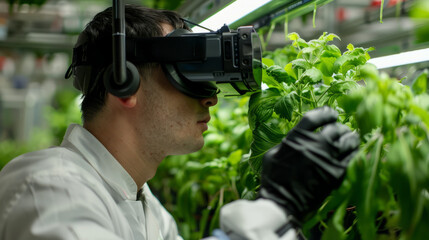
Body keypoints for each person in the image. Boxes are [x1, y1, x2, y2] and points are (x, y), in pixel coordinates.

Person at [0, 4, 359, 240]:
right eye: (188, 71)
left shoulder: (147, 206)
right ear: (124, 83)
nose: (210, 97)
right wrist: (275, 207)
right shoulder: (49, 188)